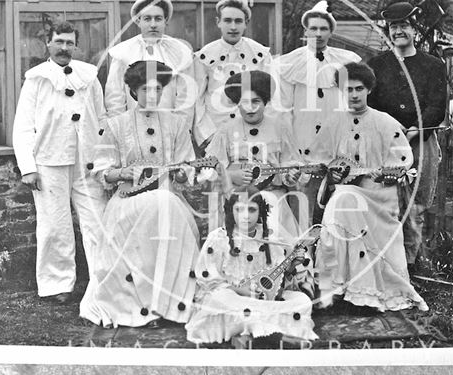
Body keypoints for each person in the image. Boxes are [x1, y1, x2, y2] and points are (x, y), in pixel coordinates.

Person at [79, 60, 217, 327]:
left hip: (168, 198)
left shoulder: (177, 124)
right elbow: (101, 170)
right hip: (127, 201)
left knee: (166, 203)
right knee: (161, 207)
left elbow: (186, 166)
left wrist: (181, 173)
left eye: (157, 89)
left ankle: (170, 304)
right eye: (144, 89)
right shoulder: (116, 125)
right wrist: (124, 173)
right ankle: (141, 304)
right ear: (133, 91)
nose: (151, 95)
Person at [309, 61, 428, 312]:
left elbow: (403, 164)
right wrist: (332, 175)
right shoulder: (333, 122)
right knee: (344, 200)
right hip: (345, 194)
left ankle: (364, 293)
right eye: (348, 89)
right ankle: (336, 288)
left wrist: (387, 175)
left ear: (369, 90)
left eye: (359, 89)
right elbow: (318, 160)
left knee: (345, 202)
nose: (353, 95)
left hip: (377, 197)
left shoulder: (385, 123)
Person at [13, 21, 107, 304]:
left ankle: (105, 280)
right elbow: (23, 126)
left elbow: (102, 120)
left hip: (86, 161)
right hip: (49, 162)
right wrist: (28, 167)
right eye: (59, 42)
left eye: (69, 42)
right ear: (48, 44)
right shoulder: (37, 80)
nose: (64, 48)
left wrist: (104, 159)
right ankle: (58, 284)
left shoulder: (89, 77)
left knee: (97, 219)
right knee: (55, 224)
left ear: (75, 45)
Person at [367, 2, 447, 273]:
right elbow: (371, 104)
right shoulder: (377, 65)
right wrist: (390, 128)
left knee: (416, 204)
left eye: (404, 26)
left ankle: (409, 266)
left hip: (420, 141)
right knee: (385, 200)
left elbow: (437, 105)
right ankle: (384, 263)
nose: (398, 31)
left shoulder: (433, 66)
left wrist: (414, 128)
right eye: (393, 27)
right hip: (385, 143)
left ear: (414, 29)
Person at [185, 186, 318, 348]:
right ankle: (271, 333)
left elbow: (276, 284)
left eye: (252, 210)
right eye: (239, 210)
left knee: (302, 302)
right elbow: (208, 281)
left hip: (262, 299)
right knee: (220, 299)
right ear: (230, 211)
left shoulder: (270, 239)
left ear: (261, 211)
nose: (246, 216)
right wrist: (242, 291)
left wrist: (290, 267)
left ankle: (250, 333)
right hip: (233, 296)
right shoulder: (219, 238)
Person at [276, 0, 362, 225]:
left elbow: (350, 106)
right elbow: (283, 111)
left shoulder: (344, 62)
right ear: (306, 31)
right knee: (303, 215)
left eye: (323, 28)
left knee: (335, 216)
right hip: (302, 145)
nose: (318, 33)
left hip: (334, 147)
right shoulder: (290, 63)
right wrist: (291, 155)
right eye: (313, 28)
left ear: (331, 31)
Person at [206, 70, 311, 244]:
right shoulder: (226, 130)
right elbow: (208, 169)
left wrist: (292, 175)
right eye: (244, 102)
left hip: (272, 196)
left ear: (265, 103)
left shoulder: (280, 127)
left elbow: (290, 163)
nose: (250, 108)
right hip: (238, 198)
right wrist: (231, 175)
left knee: (277, 236)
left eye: (256, 102)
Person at [192, 0, 272, 150]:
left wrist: (264, 130)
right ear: (218, 22)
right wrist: (207, 136)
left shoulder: (261, 54)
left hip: (253, 133)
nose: (233, 27)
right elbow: (197, 100)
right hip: (215, 133)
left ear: (246, 23)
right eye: (227, 20)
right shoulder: (204, 56)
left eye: (238, 21)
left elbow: (271, 97)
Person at [104, 0, 195, 125]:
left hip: (170, 127)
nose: (153, 24)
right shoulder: (123, 52)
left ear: (165, 21)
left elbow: (186, 97)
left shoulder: (180, 52)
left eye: (158, 19)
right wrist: (121, 128)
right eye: (147, 19)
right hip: (133, 127)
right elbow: (115, 97)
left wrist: (181, 128)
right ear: (138, 21)